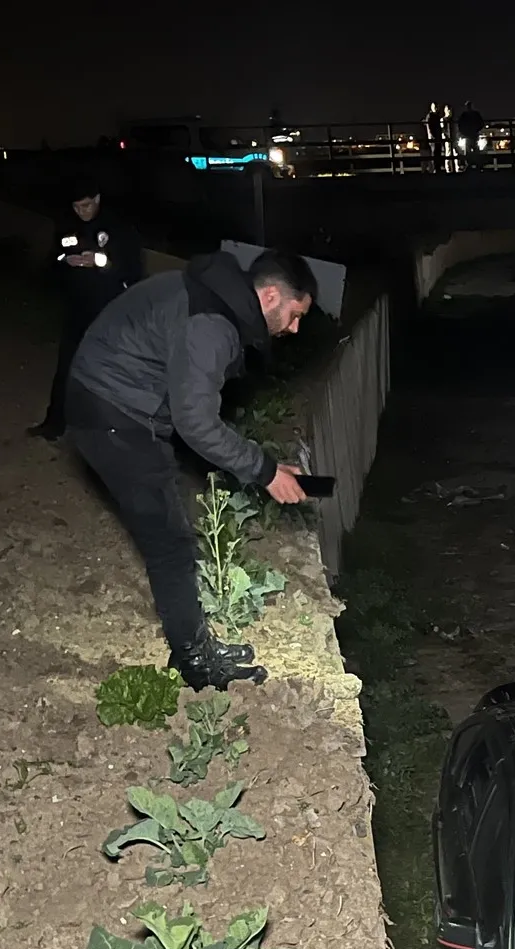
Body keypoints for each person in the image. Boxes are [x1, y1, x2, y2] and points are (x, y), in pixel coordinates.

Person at [65, 247, 325, 690]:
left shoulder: (212, 300)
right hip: (112, 414)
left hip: (113, 406)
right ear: (269, 297)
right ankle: (195, 663)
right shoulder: (212, 325)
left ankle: (196, 644)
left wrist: (264, 467)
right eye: (295, 315)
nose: (295, 328)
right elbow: (196, 423)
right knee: (170, 545)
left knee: (172, 531)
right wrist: (265, 473)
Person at [29, 175, 143, 440]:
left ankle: (108, 431)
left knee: (108, 371)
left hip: (108, 310)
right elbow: (53, 259)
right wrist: (65, 260)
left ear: (97, 199)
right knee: (66, 367)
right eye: (76, 207)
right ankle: (54, 423)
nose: (81, 211)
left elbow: (132, 269)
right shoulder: (68, 226)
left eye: (86, 205)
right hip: (77, 309)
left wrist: (100, 261)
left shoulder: (118, 227)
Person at [456, 102, 485, 169]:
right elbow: (481, 123)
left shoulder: (464, 115)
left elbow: (460, 125)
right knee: (475, 149)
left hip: (468, 135)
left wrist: (463, 132)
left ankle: (470, 164)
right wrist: (477, 130)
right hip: (473, 134)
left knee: (468, 150)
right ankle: (477, 164)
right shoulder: (475, 114)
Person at [424, 102, 446, 172]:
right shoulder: (431, 116)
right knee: (435, 152)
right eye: (435, 107)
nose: (436, 108)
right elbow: (429, 128)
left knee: (437, 152)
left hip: (437, 137)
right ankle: (436, 168)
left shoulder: (435, 116)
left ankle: (437, 167)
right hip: (434, 138)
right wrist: (432, 136)